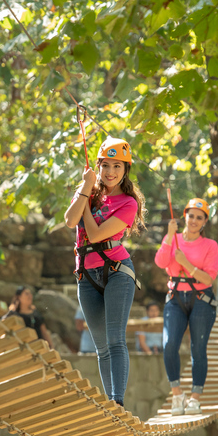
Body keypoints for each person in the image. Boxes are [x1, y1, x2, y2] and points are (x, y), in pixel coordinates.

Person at [64, 137, 146, 408]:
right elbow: (69, 221)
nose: (110, 172)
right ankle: (111, 403)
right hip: (86, 275)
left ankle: (117, 401)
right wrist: (86, 190)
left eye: (117, 166)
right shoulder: (87, 189)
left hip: (116, 271)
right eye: (106, 165)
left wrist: (87, 202)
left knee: (115, 339)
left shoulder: (128, 203)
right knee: (100, 346)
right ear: (97, 166)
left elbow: (97, 234)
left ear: (126, 170)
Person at [155, 198, 218, 416]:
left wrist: (186, 264)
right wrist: (170, 236)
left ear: (204, 222)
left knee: (197, 349)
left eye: (199, 218)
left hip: (201, 299)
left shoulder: (210, 246)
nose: (193, 220)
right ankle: (177, 394)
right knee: (169, 344)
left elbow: (208, 278)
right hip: (175, 298)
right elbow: (161, 262)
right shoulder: (171, 239)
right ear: (184, 216)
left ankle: (195, 398)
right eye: (191, 215)